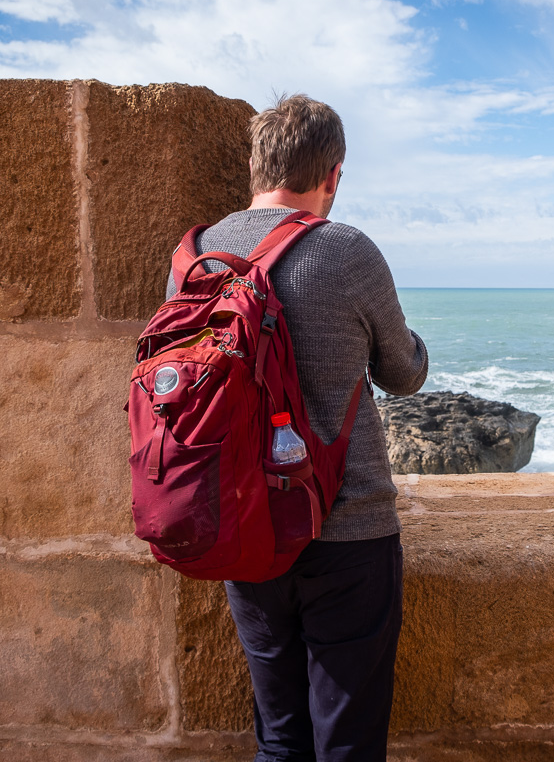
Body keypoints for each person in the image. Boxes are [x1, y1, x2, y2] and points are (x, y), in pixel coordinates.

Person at [166, 94, 429, 761]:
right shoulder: (346, 251)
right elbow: (403, 374)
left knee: (281, 738)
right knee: (349, 743)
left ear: (255, 165)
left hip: (240, 526)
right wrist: (413, 344)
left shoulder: (193, 259)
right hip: (347, 529)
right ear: (332, 175)